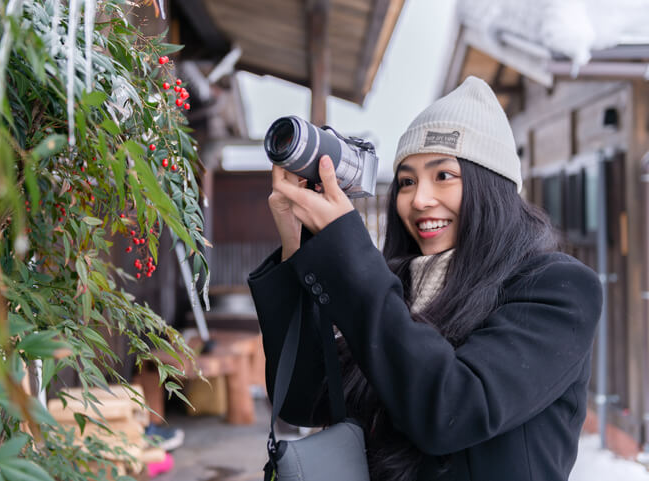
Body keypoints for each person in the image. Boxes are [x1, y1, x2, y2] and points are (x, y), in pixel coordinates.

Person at [247, 76, 602, 481]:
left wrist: (351, 258)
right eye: (407, 181)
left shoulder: (556, 288)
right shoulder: (397, 285)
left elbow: (452, 411)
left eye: (444, 176)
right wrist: (297, 246)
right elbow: (302, 401)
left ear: (492, 188)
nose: (419, 200)